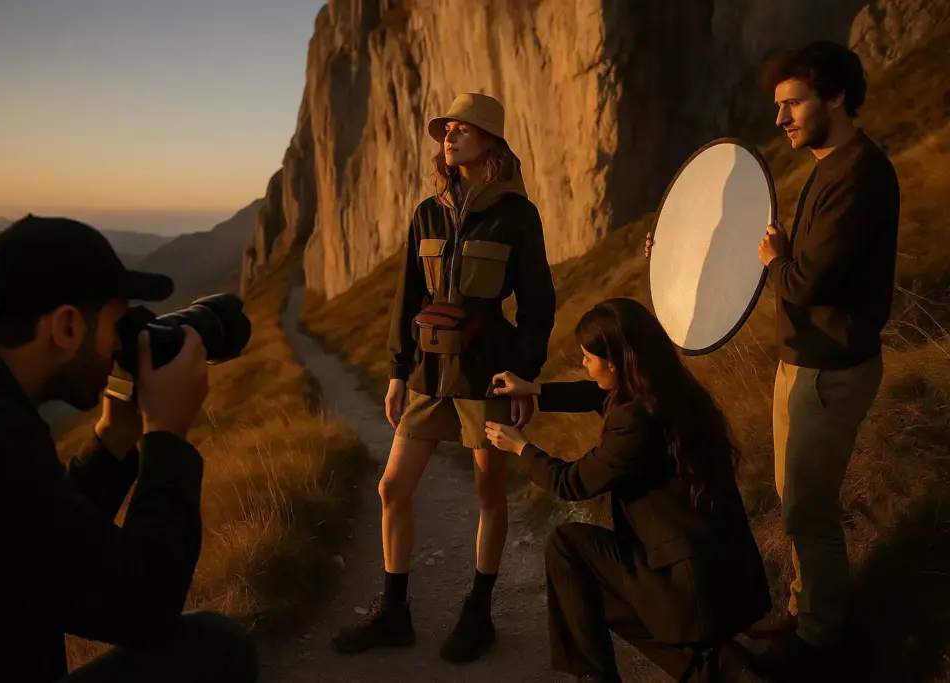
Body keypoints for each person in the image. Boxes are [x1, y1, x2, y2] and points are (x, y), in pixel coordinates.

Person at [647, 41, 900, 676]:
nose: (780, 118)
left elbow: (805, 280)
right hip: (806, 363)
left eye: (793, 103)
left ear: (835, 97)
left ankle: (819, 640)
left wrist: (774, 260)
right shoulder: (829, 166)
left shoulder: (858, 174)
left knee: (808, 508)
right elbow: (785, 258)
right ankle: (803, 607)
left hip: (830, 369)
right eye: (779, 106)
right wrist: (677, 250)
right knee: (795, 499)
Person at [0, 215, 259, 683]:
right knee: (215, 648)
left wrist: (114, 436)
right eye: (118, 326)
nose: (120, 346)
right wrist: (166, 434)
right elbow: (144, 603)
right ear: (67, 326)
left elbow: (49, 541)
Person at [331, 92, 557, 663]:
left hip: (488, 374)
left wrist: (524, 375)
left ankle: (479, 613)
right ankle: (394, 613)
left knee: (488, 492)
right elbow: (408, 295)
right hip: (428, 372)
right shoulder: (427, 212)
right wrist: (396, 372)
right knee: (392, 487)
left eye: (462, 129)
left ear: (490, 142)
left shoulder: (517, 216)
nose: (449, 138)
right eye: (446, 130)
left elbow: (537, 304)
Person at [483, 298, 772, 683]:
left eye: (588, 358)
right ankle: (720, 667)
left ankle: (601, 676)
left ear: (615, 363)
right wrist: (535, 390)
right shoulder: (674, 392)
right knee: (588, 588)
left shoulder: (633, 422)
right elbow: (597, 395)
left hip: (688, 589)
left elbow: (571, 482)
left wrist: (519, 447)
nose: (584, 364)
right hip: (731, 578)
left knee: (568, 547)